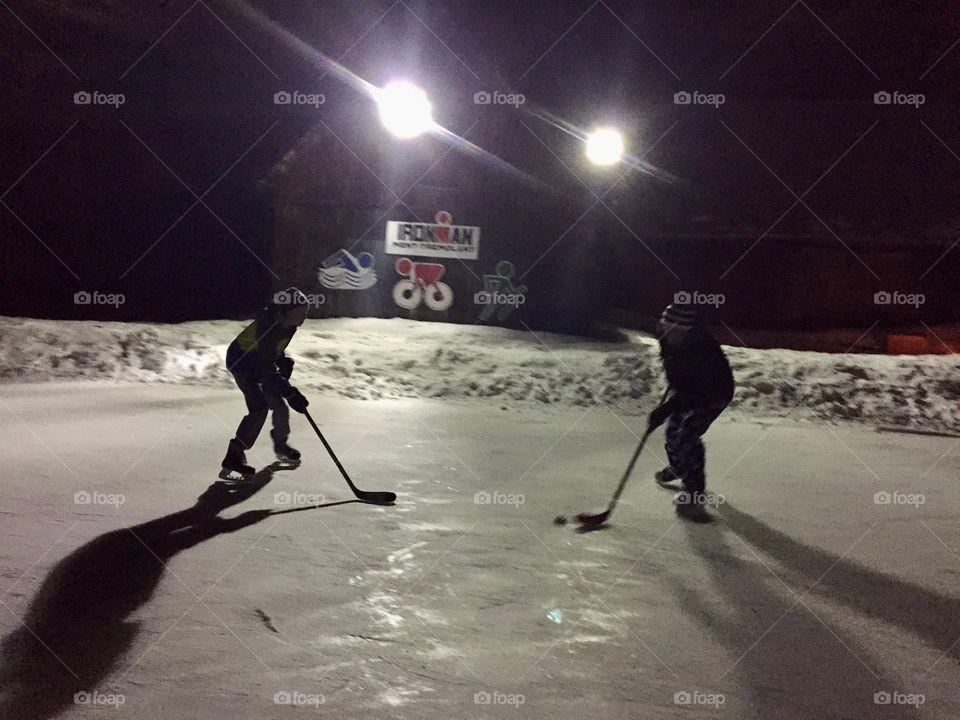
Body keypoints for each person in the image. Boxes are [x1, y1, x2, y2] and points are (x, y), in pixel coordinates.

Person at [647, 303, 734, 521]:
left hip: (714, 394)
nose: (669, 334)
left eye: (675, 331)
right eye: (666, 328)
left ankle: (693, 491)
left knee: (686, 434)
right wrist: (672, 394)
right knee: (672, 432)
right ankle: (678, 467)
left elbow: (695, 391)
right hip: (688, 391)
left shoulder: (701, 350)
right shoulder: (668, 340)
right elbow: (677, 375)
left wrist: (666, 408)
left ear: (687, 331)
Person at [220, 288, 311, 479]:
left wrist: (282, 361)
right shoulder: (268, 328)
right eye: (301, 311)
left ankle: (280, 444)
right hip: (242, 363)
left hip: (257, 363)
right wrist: (291, 393)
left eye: (306, 311)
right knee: (259, 407)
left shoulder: (288, 325)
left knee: (279, 406)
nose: (305, 315)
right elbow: (266, 367)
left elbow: (271, 353)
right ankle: (234, 456)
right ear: (288, 310)